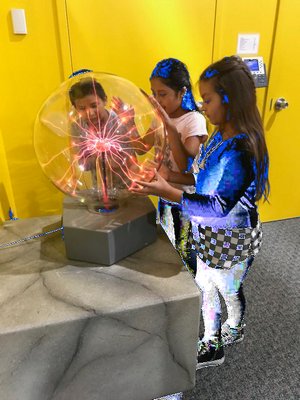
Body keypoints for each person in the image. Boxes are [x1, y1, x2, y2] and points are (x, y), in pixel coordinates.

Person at [130, 55, 270, 369]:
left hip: (232, 238)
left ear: (231, 99)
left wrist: (166, 191)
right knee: (208, 285)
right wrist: (161, 179)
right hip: (208, 234)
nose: (201, 106)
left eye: (207, 99)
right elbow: (199, 179)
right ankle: (216, 337)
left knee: (225, 287)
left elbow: (218, 205)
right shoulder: (219, 136)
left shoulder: (242, 150)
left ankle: (229, 329)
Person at [149, 58, 208, 274]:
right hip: (164, 192)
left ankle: (199, 288)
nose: (157, 100)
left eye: (162, 94)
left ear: (182, 92)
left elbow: (185, 165)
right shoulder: (158, 118)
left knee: (186, 246)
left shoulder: (194, 120)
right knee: (168, 239)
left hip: (185, 197)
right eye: (153, 94)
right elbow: (141, 144)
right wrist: (127, 122)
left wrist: (169, 127)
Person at [69, 77, 136, 200]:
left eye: (94, 105)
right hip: (99, 191)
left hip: (128, 190)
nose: (90, 113)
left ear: (104, 100)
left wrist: (96, 156)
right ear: (76, 109)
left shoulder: (120, 121)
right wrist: (100, 155)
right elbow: (83, 164)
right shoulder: (77, 127)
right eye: (82, 108)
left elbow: (129, 160)